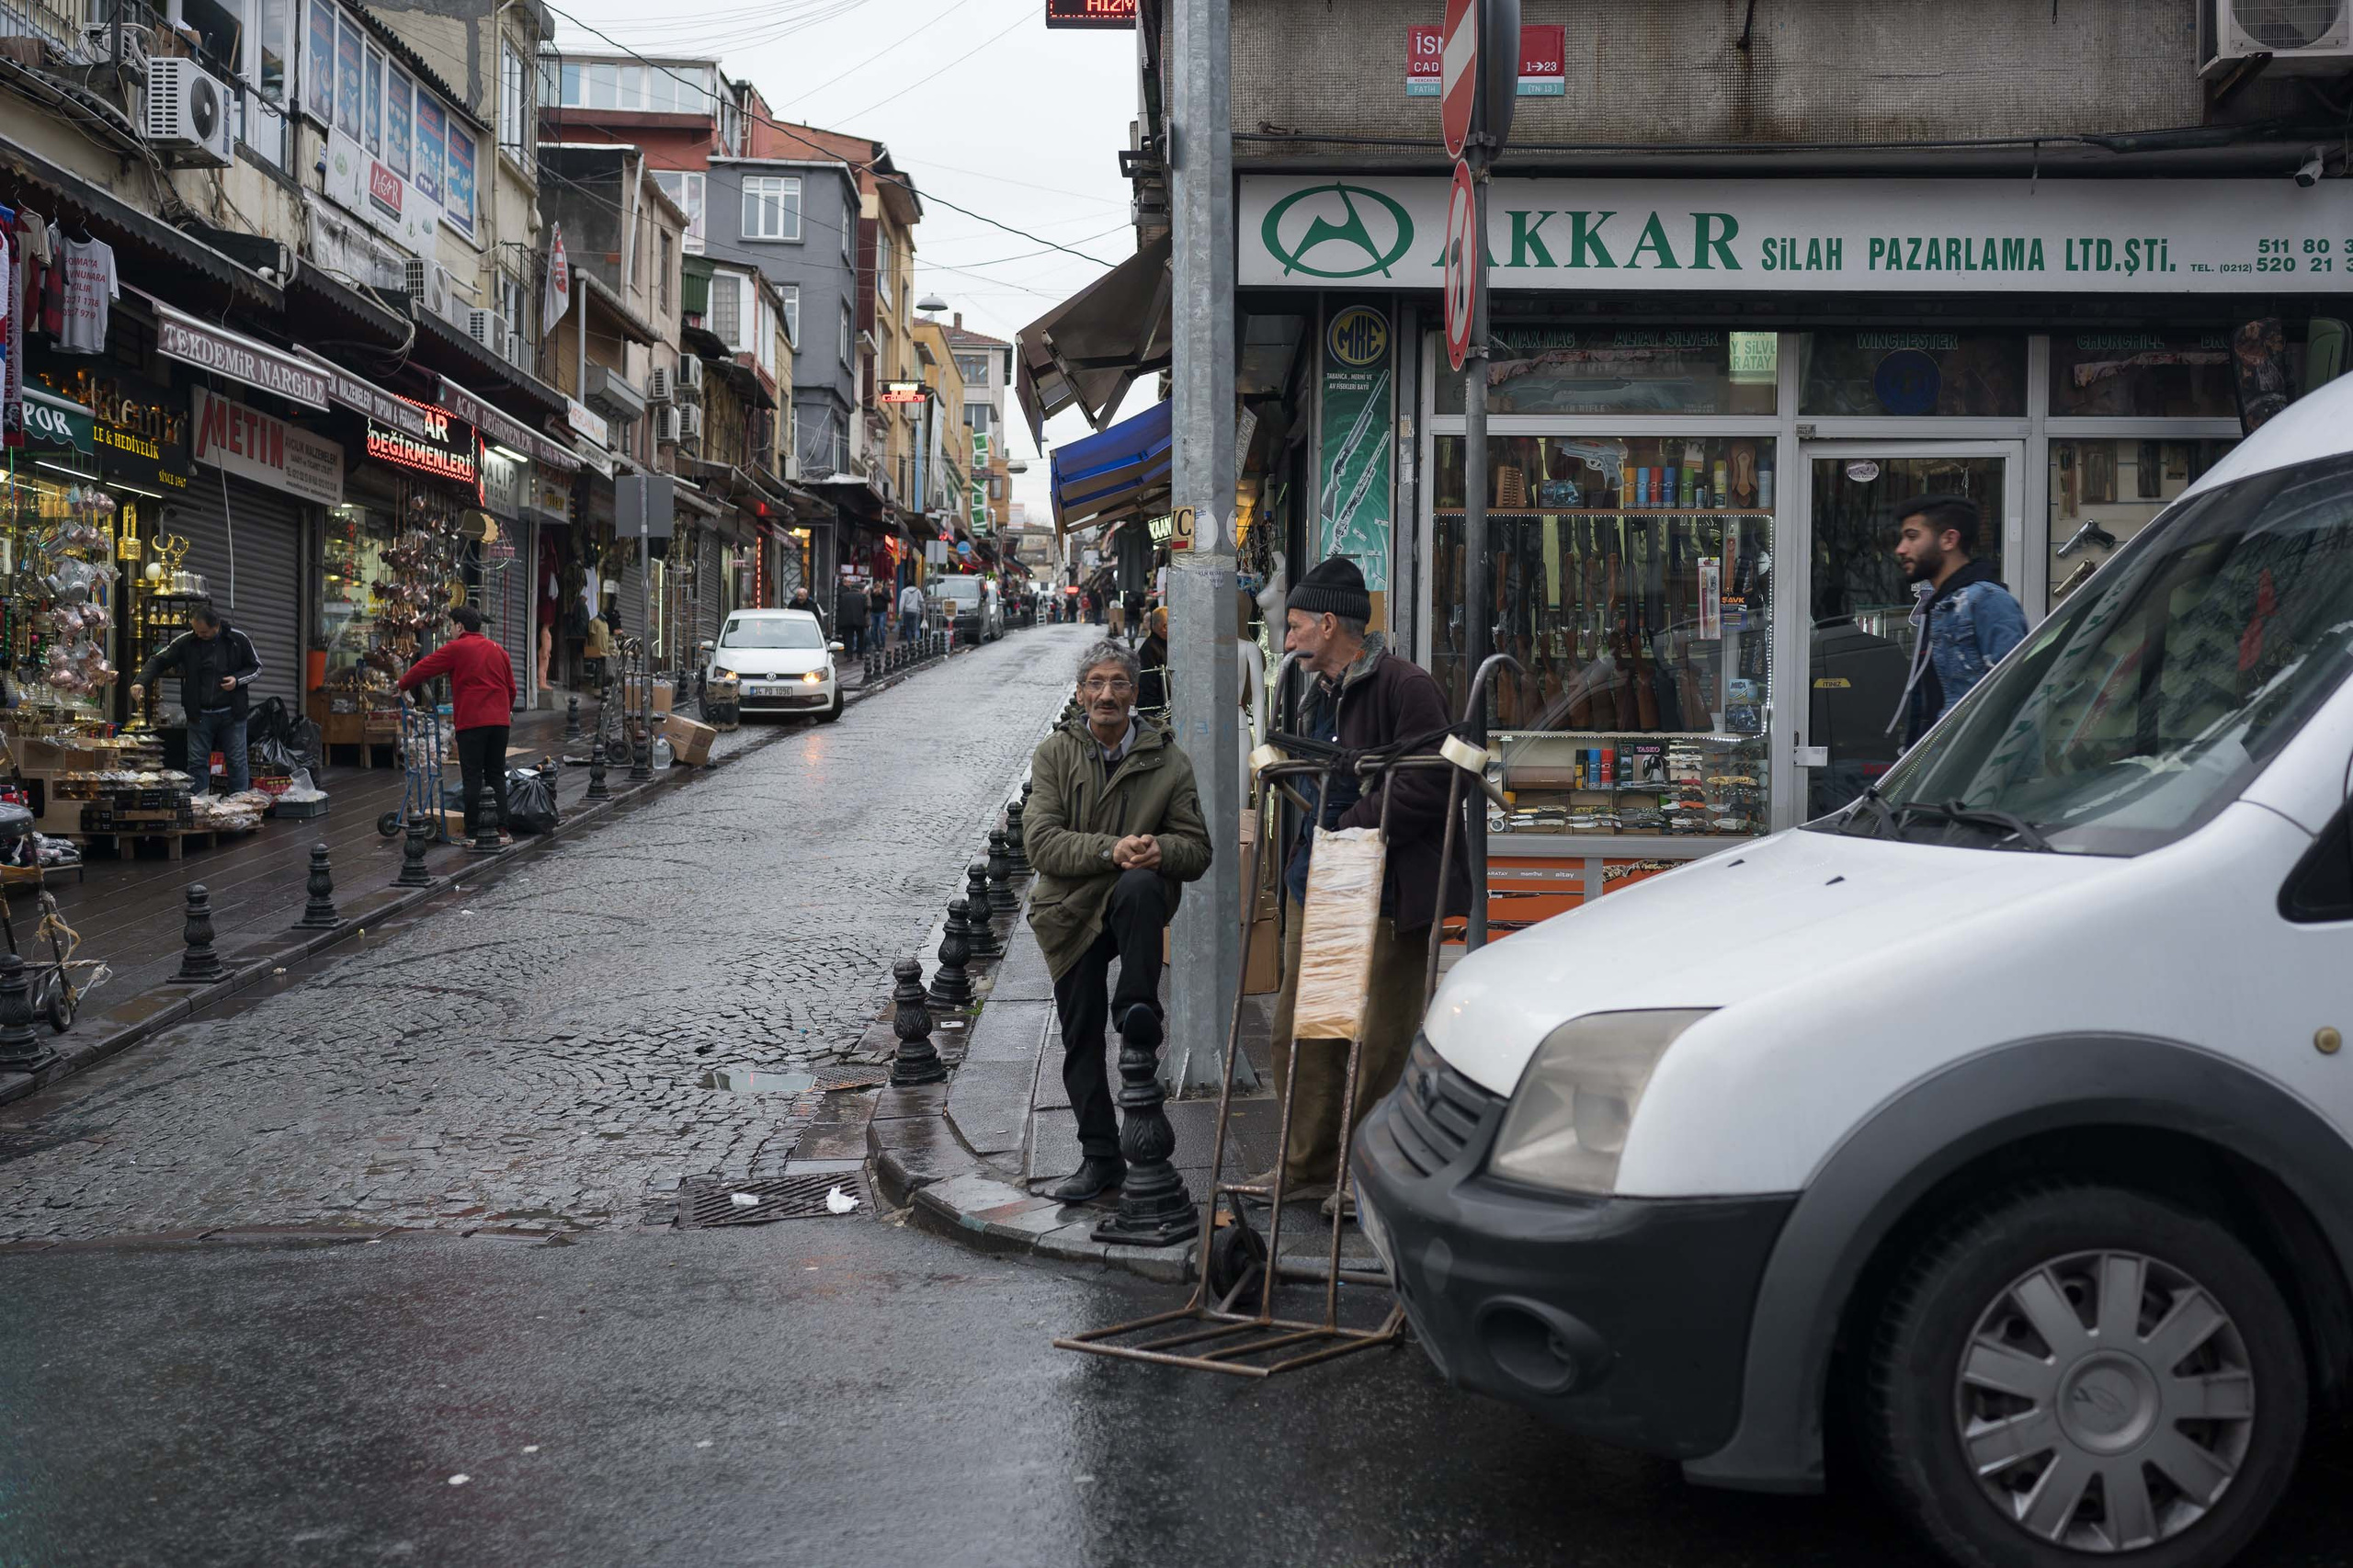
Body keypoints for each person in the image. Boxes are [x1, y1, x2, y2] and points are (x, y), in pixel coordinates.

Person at [1263, 555, 1470, 1214]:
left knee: (1381, 1044)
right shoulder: (1313, 688)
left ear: (1328, 624)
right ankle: (1306, 1169)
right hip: (1323, 882)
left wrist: (1348, 827)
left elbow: (1429, 785)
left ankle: (1368, 1180)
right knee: (1311, 1034)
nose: (1287, 638)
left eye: (1295, 626)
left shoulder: (1406, 687)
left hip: (1382, 888)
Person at [1023, 639, 1214, 1203]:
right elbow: (1040, 844)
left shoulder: (1168, 759)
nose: (1108, 694)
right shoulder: (1054, 755)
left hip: (1133, 910)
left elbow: (1197, 849)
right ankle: (1099, 1157)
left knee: (1138, 884)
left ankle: (1137, 1007)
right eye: (1096, 684)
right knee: (1079, 1037)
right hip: (1070, 913)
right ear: (1081, 693)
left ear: (1135, 692)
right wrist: (1113, 850)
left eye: (1119, 684)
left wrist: (1160, 852)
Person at [1889, 494, 2028, 748]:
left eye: (1912, 536)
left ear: (1949, 539)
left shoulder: (1987, 601)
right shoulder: (1941, 607)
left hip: (1975, 774)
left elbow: (2014, 698)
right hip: (1940, 769)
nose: (1901, 549)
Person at [397, 605, 519, 851]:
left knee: (472, 776)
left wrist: (402, 684)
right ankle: (502, 829)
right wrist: (503, 712)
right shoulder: (499, 650)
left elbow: (425, 667)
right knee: (496, 774)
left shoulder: (457, 648)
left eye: (451, 626)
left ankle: (474, 832)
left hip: (473, 723)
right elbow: (512, 689)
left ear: (460, 626)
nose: (451, 631)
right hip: (500, 723)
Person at [131, 601, 263, 792]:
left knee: (236, 761)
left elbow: (256, 667)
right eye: (196, 631)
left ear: (216, 626)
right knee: (197, 762)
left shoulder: (237, 639)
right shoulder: (188, 640)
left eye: (203, 633)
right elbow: (159, 660)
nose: (199, 636)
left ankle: (239, 804)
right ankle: (198, 805)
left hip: (232, 713)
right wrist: (140, 681)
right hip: (199, 713)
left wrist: (237, 680)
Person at [1135, 605, 1169, 715]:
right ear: (1164, 627)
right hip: (1155, 712)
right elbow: (1147, 685)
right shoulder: (1150, 649)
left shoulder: (1163, 645)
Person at [835, 576, 870, 656]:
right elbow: (865, 608)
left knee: (848, 637)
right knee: (860, 637)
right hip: (859, 619)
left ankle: (848, 654)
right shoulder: (862, 597)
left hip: (847, 620)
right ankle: (859, 654)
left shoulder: (844, 596)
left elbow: (840, 607)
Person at [897, 578, 926, 644]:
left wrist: (900, 613)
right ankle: (917, 642)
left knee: (908, 628)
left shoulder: (904, 591)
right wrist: (923, 610)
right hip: (916, 611)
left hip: (907, 611)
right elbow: (922, 601)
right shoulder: (918, 591)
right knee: (916, 628)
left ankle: (910, 643)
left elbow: (902, 603)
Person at [868, 578, 892, 648]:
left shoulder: (886, 590)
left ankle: (882, 644)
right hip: (873, 612)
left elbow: (889, 599)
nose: (877, 585)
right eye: (876, 584)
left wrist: (881, 593)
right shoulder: (872, 590)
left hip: (882, 612)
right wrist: (873, 593)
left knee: (881, 628)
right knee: (873, 629)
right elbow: (869, 598)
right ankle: (876, 644)